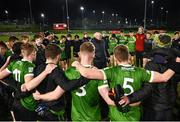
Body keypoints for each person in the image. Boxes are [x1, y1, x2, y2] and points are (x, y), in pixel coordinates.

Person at [72, 45, 176, 121]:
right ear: (130, 56)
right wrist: (177, 64)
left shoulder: (110, 71)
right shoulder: (141, 71)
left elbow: (86, 73)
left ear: (116, 59)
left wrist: (77, 64)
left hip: (116, 116)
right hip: (134, 116)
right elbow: (165, 77)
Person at [22, 44, 89, 121]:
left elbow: (29, 85)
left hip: (40, 109)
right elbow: (67, 86)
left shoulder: (37, 68)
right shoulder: (56, 70)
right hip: (54, 111)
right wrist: (85, 78)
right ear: (58, 56)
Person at [64, 42, 105, 121]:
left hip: (76, 117)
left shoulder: (68, 72)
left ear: (79, 54)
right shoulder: (98, 73)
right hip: (94, 117)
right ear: (93, 54)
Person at [0, 43, 38, 121]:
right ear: (33, 53)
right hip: (27, 102)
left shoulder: (14, 63)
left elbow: (0, 76)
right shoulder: (29, 66)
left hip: (16, 101)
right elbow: (27, 87)